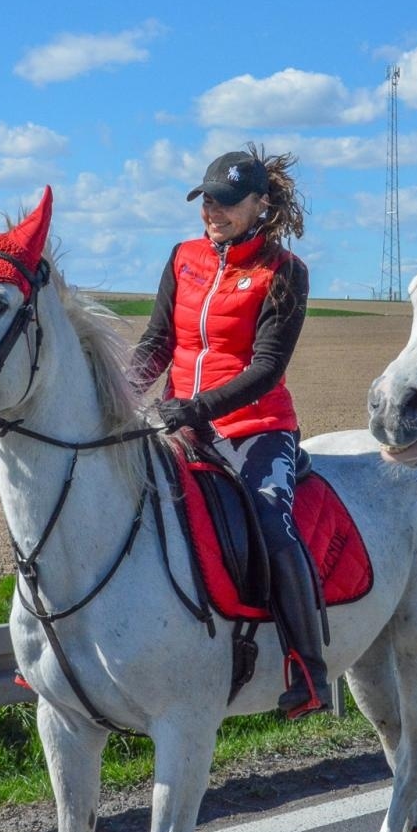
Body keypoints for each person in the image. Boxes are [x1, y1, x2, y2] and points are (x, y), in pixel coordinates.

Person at [129, 146, 330, 718]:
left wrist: (196, 408)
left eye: (225, 202)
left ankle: (308, 669)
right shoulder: (182, 258)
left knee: (272, 519)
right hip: (178, 424)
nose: (212, 211)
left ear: (260, 205)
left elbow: (266, 368)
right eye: (206, 200)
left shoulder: (284, 272)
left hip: (256, 428)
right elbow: (157, 344)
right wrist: (117, 396)